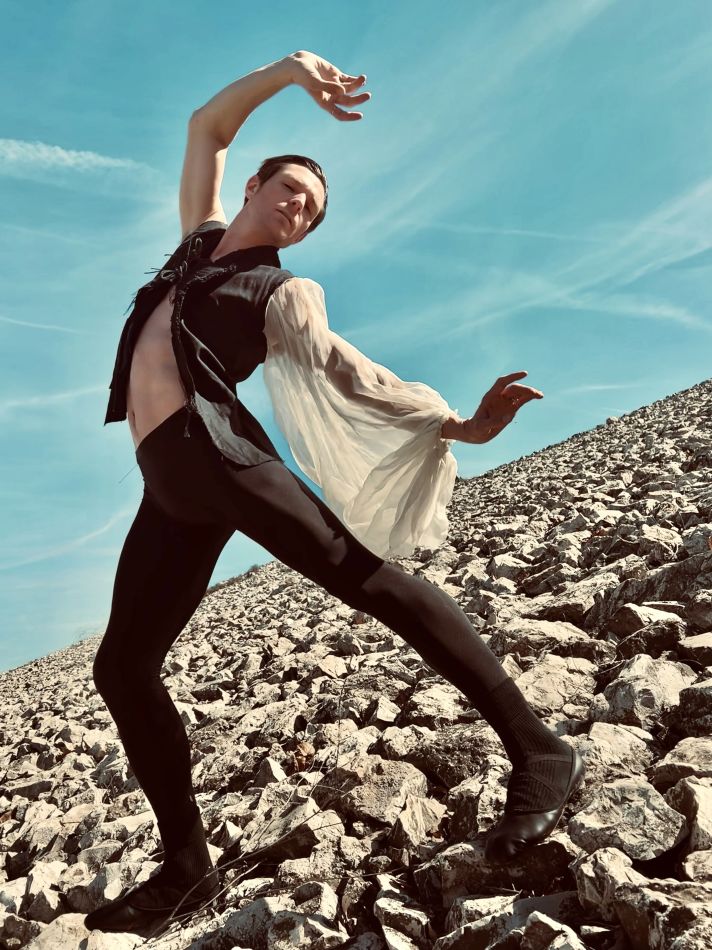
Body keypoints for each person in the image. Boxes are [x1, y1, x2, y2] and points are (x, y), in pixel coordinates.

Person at [85, 50, 584, 938]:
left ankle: (541, 751)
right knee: (120, 668)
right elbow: (207, 127)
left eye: (311, 210)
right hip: (168, 489)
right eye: (288, 190)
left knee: (368, 579)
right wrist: (287, 72)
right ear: (252, 189)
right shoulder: (195, 246)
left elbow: (349, 373)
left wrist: (455, 425)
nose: (297, 208)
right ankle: (187, 864)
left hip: (227, 464)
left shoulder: (281, 291)